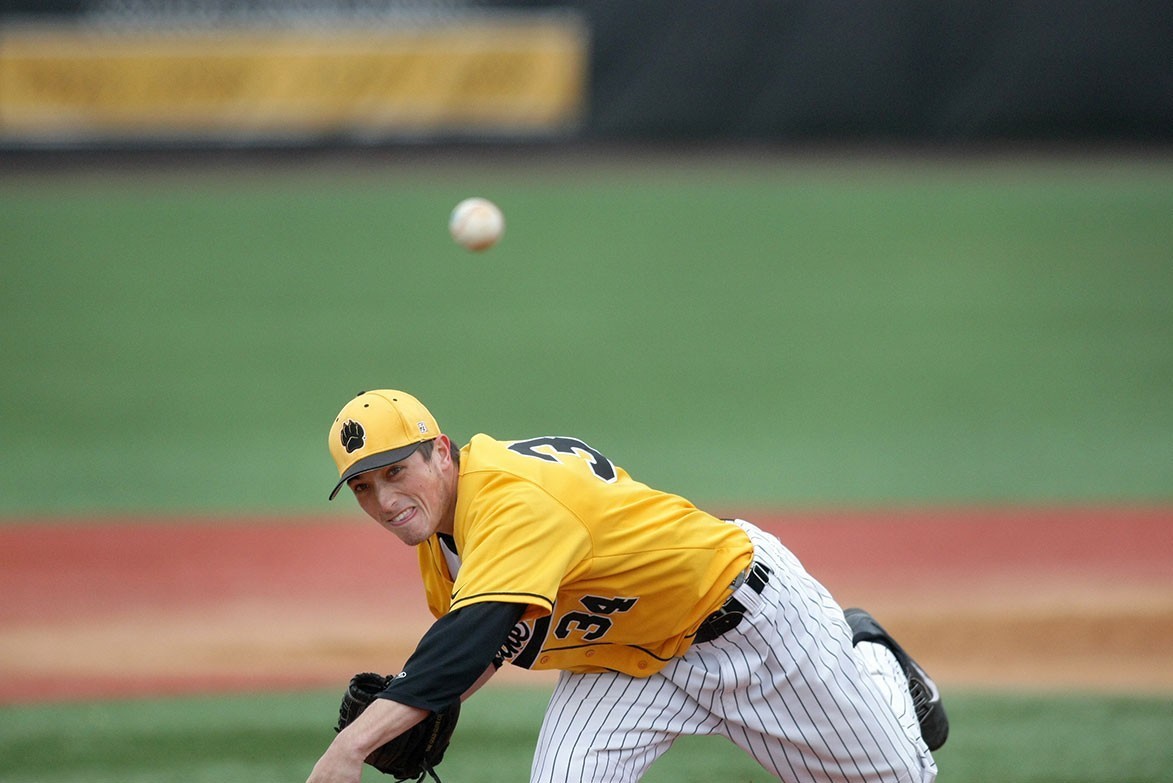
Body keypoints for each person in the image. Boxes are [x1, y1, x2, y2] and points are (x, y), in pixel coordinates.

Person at [306, 389, 948, 783]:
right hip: (623, 660)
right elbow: (488, 645)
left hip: (744, 622)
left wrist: (350, 748)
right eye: (364, 487)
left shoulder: (509, 502)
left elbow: (467, 640)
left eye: (395, 472)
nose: (385, 501)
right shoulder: (440, 540)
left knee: (899, 778)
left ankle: (875, 660)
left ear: (440, 451)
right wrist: (428, 702)